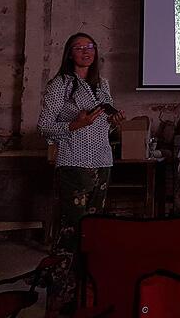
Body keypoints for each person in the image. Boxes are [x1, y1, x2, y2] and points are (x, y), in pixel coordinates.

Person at [37, 32, 125, 316]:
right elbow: (44, 127)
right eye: (79, 47)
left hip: (102, 163)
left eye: (90, 47)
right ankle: (62, 299)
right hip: (74, 164)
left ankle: (88, 296)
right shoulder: (60, 85)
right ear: (69, 53)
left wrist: (114, 121)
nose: (86, 52)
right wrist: (74, 125)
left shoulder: (102, 85)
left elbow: (103, 128)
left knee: (93, 231)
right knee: (73, 231)